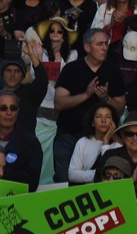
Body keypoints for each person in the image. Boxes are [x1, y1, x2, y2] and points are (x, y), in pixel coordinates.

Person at [53, 28, 126, 182]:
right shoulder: (71, 69)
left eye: (106, 44)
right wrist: (86, 95)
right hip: (68, 135)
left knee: (100, 181)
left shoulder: (114, 72)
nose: (105, 47)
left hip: (100, 140)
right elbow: (59, 103)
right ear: (87, 47)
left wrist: (105, 98)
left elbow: (119, 109)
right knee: (63, 181)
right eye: (100, 44)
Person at [68, 105, 120, 184]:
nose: (103, 120)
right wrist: (98, 174)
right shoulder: (83, 142)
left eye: (108, 117)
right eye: (99, 117)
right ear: (92, 123)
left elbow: (110, 173)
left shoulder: (118, 145)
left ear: (113, 123)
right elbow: (72, 174)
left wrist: (106, 142)